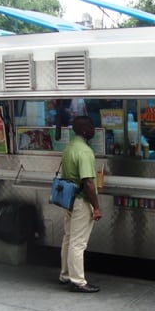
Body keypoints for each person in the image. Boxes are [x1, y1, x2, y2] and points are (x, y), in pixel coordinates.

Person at [59, 116, 102, 293]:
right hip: (81, 201)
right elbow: (88, 182)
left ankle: (66, 274)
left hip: (68, 198)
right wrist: (96, 207)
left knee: (69, 238)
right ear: (84, 130)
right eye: (91, 126)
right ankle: (78, 281)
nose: (94, 129)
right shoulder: (84, 151)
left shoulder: (69, 147)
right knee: (78, 243)